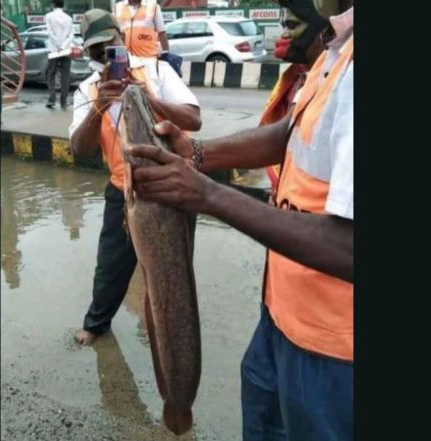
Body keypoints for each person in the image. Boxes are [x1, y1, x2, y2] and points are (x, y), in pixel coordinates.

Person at [128, 1, 354, 439]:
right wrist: (197, 154)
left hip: (334, 349)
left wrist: (208, 195)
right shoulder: (337, 46)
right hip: (281, 315)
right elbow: (289, 132)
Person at [68, 9, 201, 346]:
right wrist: (100, 104)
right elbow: (79, 149)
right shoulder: (87, 90)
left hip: (173, 184)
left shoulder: (158, 69)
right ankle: (96, 323)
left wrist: (148, 98)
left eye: (109, 45)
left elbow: (193, 118)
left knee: (174, 266)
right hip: (124, 191)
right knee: (111, 264)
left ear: (120, 37)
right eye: (96, 51)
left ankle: (170, 330)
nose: (104, 56)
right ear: (88, 52)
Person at [261, 2, 329, 195]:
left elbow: (280, 138)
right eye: (283, 26)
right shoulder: (296, 76)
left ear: (324, 31)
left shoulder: (333, 80)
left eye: (291, 26)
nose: (283, 35)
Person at [44, 0, 74, 109]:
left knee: (51, 74)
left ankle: (52, 99)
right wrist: (63, 45)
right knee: (65, 75)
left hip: (53, 49)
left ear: (53, 5)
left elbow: (49, 32)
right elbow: (71, 35)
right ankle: (63, 102)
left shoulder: (49, 16)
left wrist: (57, 44)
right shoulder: (69, 18)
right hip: (66, 50)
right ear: (63, 5)